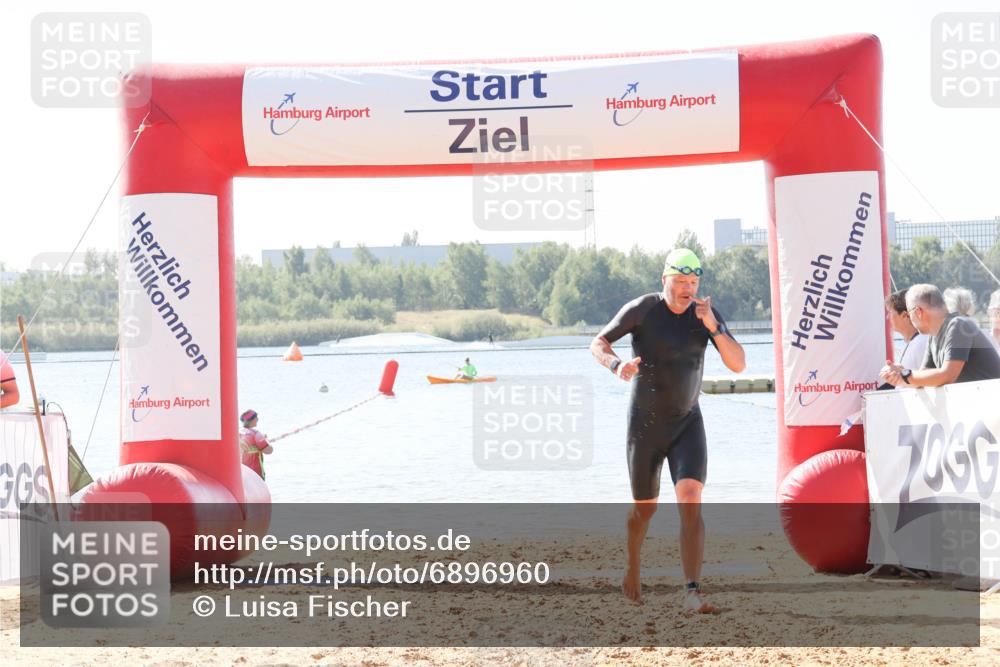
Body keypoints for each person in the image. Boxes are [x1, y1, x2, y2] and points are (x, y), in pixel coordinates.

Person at [590, 248, 745, 613]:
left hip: (687, 422)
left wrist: (715, 328)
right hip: (644, 426)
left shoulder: (705, 314)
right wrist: (616, 366)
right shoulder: (643, 309)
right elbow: (598, 342)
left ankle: (691, 591)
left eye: (693, 282)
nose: (688, 289)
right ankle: (632, 565)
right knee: (644, 511)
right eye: (681, 282)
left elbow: (738, 364)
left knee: (690, 497)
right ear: (665, 281)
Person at [879, 284, 1000, 387]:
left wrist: (905, 374)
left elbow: (947, 375)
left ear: (918, 312)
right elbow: (923, 378)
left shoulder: (959, 325)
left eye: (909, 313)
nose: (910, 319)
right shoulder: (934, 336)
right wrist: (901, 372)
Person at [885, 289, 929, 373]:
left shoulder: (921, 342)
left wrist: (902, 372)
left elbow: (928, 379)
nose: (887, 317)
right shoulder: (915, 341)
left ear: (905, 315)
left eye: (890, 312)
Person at [239, 409, 273, 480]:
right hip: (255, 473)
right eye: (256, 417)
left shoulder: (238, 432)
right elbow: (268, 451)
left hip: (242, 472)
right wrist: (266, 440)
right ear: (253, 420)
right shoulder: (256, 434)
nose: (258, 419)